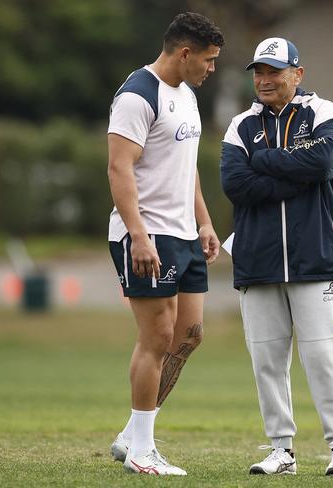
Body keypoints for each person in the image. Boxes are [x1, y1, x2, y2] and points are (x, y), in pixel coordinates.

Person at [220, 37, 333, 477]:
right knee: (266, 361)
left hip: (316, 258)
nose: (264, 79)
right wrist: (292, 173)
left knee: (322, 356)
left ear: (297, 74)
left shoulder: (323, 111)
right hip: (257, 261)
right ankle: (281, 450)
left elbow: (323, 163)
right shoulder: (240, 125)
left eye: (274, 71)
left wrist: (265, 160)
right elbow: (235, 185)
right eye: (258, 71)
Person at [106, 12, 223, 476]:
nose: (212, 69)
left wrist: (205, 223)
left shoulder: (188, 96)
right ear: (184, 53)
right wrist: (138, 235)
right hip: (146, 235)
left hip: (183, 234)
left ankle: (131, 436)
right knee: (156, 336)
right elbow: (119, 168)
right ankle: (141, 449)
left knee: (188, 336)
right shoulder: (137, 95)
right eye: (209, 60)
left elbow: (185, 164)